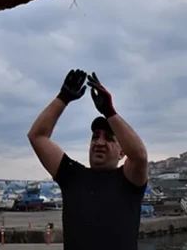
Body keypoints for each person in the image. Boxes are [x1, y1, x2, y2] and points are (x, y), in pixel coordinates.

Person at [27, 69, 148, 250]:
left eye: (108, 138)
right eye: (95, 137)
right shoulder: (72, 176)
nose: (99, 142)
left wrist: (109, 111)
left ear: (122, 153)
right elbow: (37, 136)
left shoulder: (129, 179)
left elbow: (140, 156)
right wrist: (63, 97)